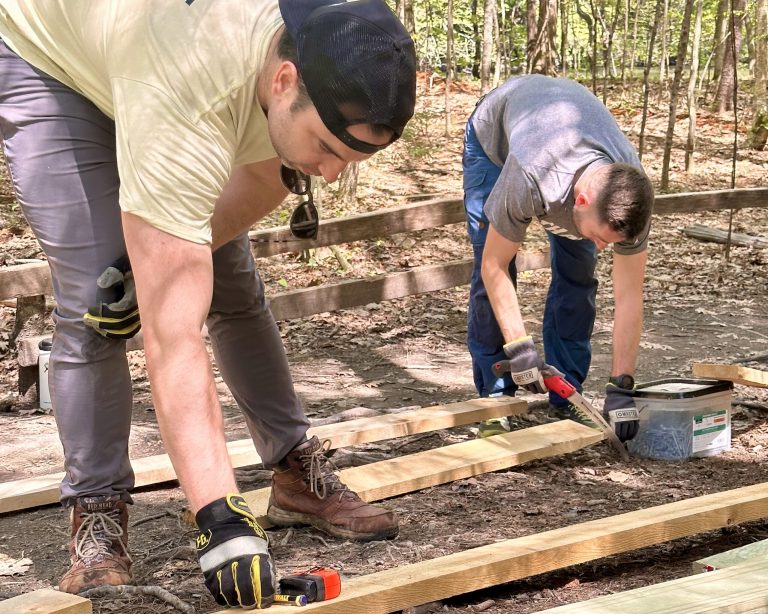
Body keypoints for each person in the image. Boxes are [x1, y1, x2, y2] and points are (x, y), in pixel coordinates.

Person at [0, 0, 416, 608]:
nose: (329, 176)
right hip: (52, 59)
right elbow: (173, 338)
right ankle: (97, 512)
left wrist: (157, 264)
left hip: (155, 56)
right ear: (283, 81)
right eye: (327, 148)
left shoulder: (337, 38)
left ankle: (295, 471)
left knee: (232, 286)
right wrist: (222, 524)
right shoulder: (187, 85)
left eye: (350, 161)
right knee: (95, 298)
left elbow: (261, 180)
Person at [461, 75, 654, 440]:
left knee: (578, 278)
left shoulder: (630, 196)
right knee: (490, 270)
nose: (602, 247)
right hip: (494, 143)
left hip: (565, 157)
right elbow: (494, 266)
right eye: (599, 237)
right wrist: (519, 346)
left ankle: (566, 395)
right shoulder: (533, 175)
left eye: (609, 242)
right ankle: (496, 398)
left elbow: (629, 297)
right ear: (581, 201)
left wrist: (622, 386)